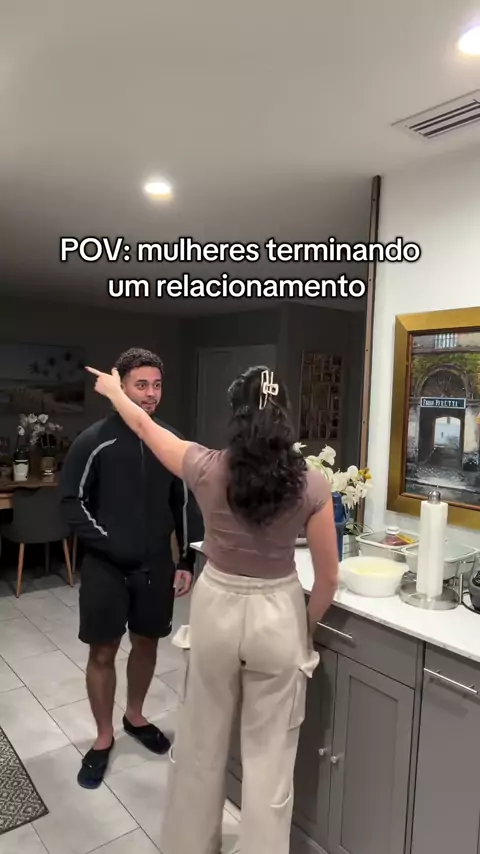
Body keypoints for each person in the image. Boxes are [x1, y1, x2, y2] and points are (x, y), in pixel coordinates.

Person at [86, 362, 338, 854]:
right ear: (284, 415)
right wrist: (302, 628)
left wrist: (116, 392)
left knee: (201, 744)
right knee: (270, 757)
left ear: (236, 414)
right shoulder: (312, 484)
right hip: (278, 612)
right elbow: (327, 578)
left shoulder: (205, 466)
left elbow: (145, 427)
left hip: (217, 607)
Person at [60, 347, 203, 790]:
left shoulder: (169, 441)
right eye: (141, 384)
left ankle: (135, 716)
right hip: (106, 567)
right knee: (102, 653)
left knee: (147, 644)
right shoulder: (94, 440)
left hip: (155, 565)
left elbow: (184, 504)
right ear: (120, 385)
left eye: (157, 385)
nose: (151, 394)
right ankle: (103, 737)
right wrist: (109, 543)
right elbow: (71, 502)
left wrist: (186, 559)